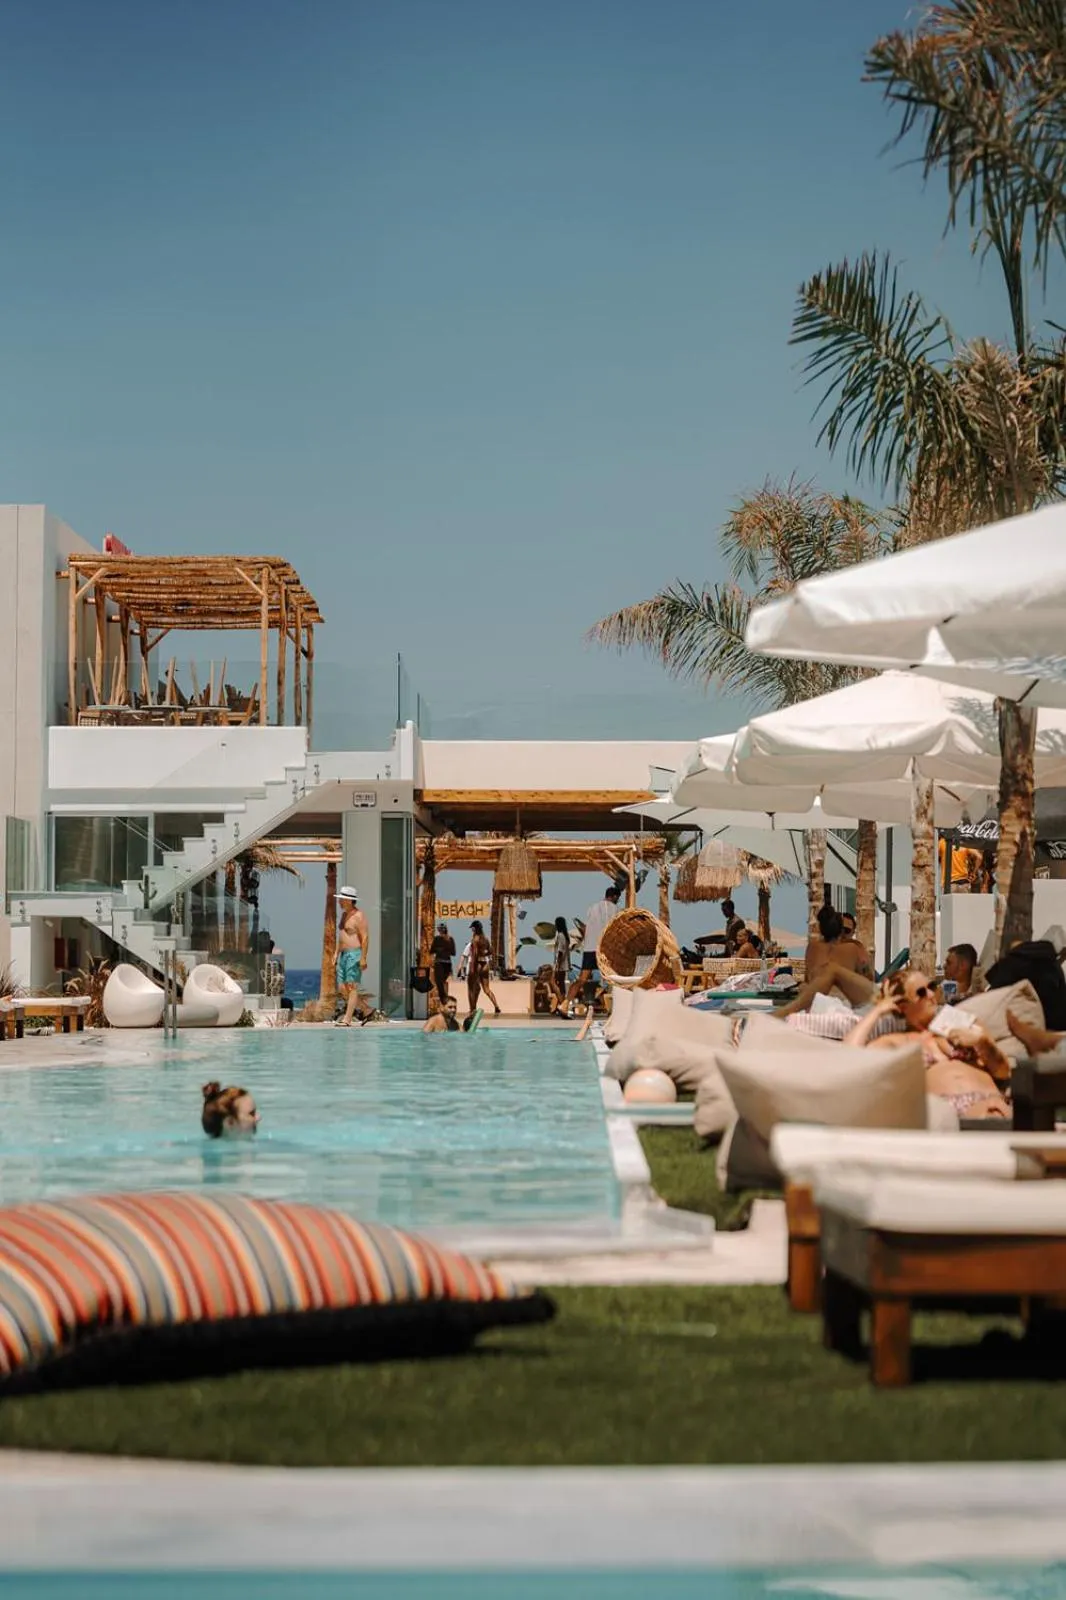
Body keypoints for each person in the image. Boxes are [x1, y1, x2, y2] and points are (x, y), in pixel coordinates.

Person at [844, 969, 1010, 1119]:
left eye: (931, 986)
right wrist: (879, 1010)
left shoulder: (964, 1024)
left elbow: (1003, 1072)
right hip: (949, 1112)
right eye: (921, 992)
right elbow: (847, 1056)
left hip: (993, 1100)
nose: (931, 995)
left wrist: (983, 1043)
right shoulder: (896, 1041)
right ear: (902, 1006)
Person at [776, 904, 875, 1016]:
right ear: (841, 931)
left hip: (815, 1004)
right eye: (844, 930)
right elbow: (869, 979)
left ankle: (779, 1015)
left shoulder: (812, 948)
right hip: (843, 1005)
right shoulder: (854, 948)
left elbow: (808, 979)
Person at [565, 885, 622, 1014]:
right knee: (614, 978)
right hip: (604, 949)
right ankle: (615, 1009)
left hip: (589, 948)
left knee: (581, 979)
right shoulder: (616, 909)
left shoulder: (592, 908)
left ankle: (565, 1003)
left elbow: (589, 927)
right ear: (615, 897)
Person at [335, 886, 371, 1026]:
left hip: (354, 954)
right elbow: (342, 936)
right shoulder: (344, 916)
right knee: (342, 988)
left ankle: (347, 1019)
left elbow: (365, 938)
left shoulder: (359, 916)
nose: (340, 902)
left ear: (349, 900)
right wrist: (335, 953)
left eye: (342, 899)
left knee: (352, 986)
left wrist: (363, 957)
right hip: (343, 954)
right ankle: (367, 1010)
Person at [466, 919, 501, 1017]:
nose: (472, 930)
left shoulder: (475, 939)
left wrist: (472, 967)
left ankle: (472, 1009)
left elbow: (474, 954)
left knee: (471, 988)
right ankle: (497, 1006)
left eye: (472, 929)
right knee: (486, 989)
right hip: (485, 964)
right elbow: (491, 951)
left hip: (477, 964)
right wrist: (484, 953)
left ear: (475, 929)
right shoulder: (485, 939)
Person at [430, 921, 456, 1007]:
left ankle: (444, 1001)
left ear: (439, 930)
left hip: (439, 963)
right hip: (448, 964)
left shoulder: (437, 939)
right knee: (442, 982)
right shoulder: (450, 939)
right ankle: (444, 1000)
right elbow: (453, 953)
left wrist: (439, 950)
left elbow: (432, 951)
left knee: (439, 983)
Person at [551, 916, 571, 1013]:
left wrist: (557, 965)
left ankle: (562, 1003)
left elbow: (560, 951)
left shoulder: (560, 936)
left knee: (555, 983)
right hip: (563, 964)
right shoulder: (565, 936)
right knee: (561, 984)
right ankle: (561, 1004)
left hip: (560, 965)